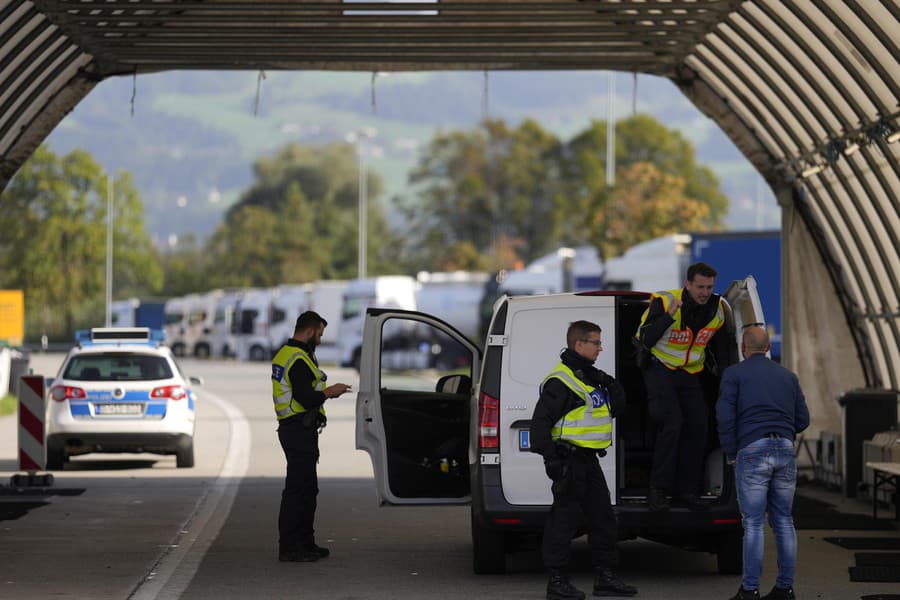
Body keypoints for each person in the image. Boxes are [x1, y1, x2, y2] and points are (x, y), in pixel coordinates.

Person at [530, 320, 637, 599]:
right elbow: (539, 426)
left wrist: (612, 386)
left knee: (603, 518)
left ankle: (605, 577)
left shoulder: (588, 376)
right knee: (563, 521)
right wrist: (552, 461)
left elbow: (613, 410)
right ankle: (556, 581)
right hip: (569, 460)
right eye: (596, 343)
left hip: (588, 460)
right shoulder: (561, 381)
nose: (600, 348)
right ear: (579, 344)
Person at [634, 262, 737, 511]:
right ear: (688, 284)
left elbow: (722, 351)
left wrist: (726, 382)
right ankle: (658, 490)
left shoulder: (719, 309)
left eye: (709, 287)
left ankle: (687, 490)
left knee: (699, 427)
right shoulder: (663, 301)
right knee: (672, 423)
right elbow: (645, 340)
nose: (704, 292)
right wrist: (668, 316)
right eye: (700, 286)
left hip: (690, 373)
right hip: (660, 369)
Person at [716, 326, 809, 600]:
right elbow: (803, 420)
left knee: (754, 523)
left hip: (752, 449)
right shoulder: (788, 377)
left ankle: (750, 590)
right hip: (784, 449)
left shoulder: (734, 374)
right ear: (768, 348)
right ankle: (785, 588)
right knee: (783, 521)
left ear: (744, 349)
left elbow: (724, 417)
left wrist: (732, 451)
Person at [271, 310, 352, 562]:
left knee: (308, 489)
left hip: (298, 429)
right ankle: (291, 547)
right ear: (309, 331)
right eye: (319, 334)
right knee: (297, 490)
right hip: (297, 430)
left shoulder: (292, 354)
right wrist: (330, 392)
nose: (319, 339)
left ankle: (305, 543)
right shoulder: (296, 358)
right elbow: (305, 397)